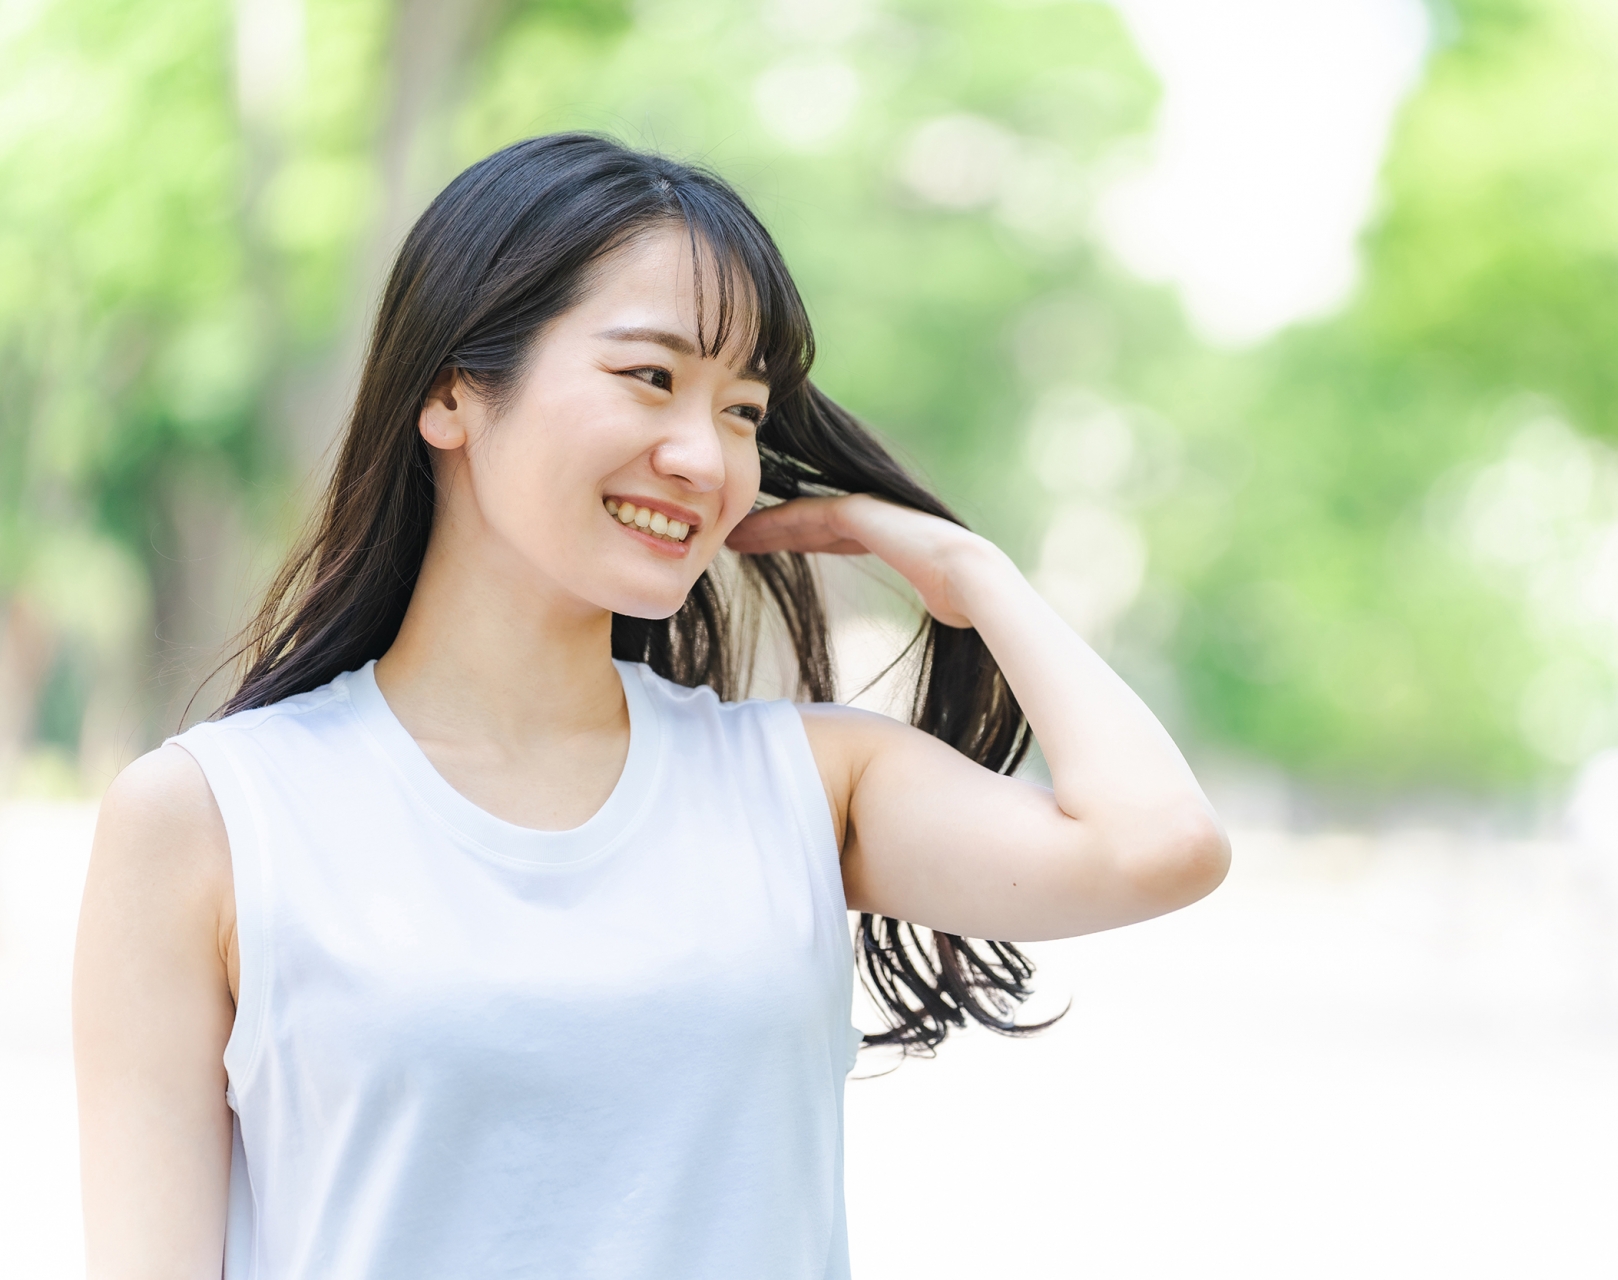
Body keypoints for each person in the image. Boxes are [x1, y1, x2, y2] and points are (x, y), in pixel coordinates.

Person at [71, 134, 1229, 1280]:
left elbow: (1158, 845)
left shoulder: (806, 785)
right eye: (652, 377)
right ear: (450, 391)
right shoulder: (214, 818)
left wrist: (974, 573)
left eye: (743, 410)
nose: (705, 456)